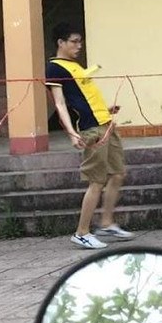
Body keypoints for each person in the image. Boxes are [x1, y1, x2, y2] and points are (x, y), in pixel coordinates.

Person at [46, 24, 134, 250]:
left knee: (118, 174)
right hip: (90, 130)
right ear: (61, 43)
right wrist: (71, 133)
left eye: (80, 42)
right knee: (97, 181)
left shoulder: (75, 66)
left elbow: (84, 98)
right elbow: (60, 103)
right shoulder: (55, 68)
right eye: (74, 41)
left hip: (105, 123)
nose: (79, 46)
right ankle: (81, 232)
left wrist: (106, 109)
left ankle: (106, 223)